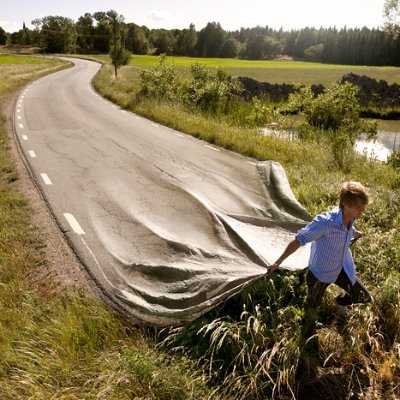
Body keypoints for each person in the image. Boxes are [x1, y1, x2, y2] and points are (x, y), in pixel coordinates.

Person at [269, 181, 372, 317]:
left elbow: (345, 229)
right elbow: (299, 239)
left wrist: (354, 233)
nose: (362, 210)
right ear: (346, 204)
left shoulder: (351, 217)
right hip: (319, 274)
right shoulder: (325, 222)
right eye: (359, 207)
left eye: (363, 206)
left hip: (341, 268)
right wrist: (278, 261)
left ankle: (340, 302)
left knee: (364, 297)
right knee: (311, 310)